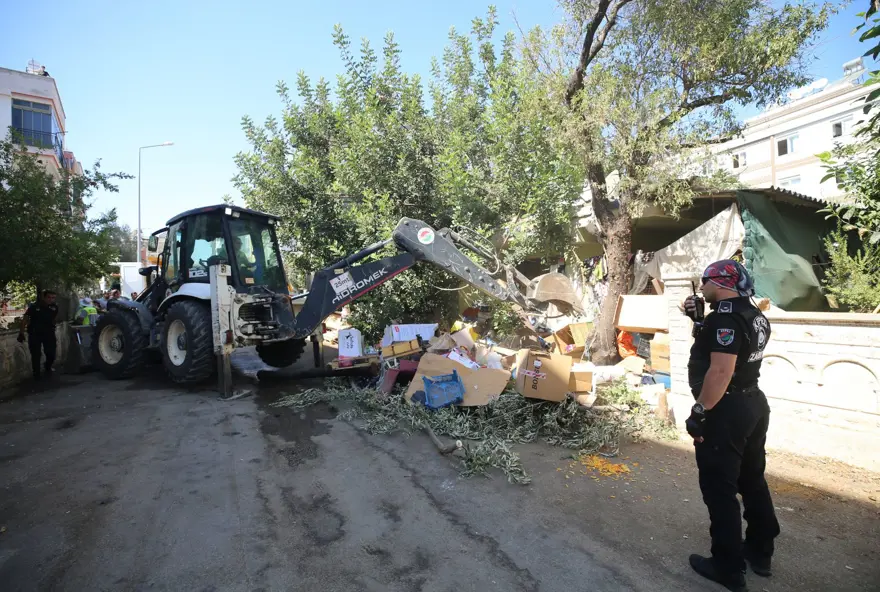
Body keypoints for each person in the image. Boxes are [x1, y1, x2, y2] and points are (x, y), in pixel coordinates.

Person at [682, 260, 779, 592]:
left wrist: (700, 411)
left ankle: (727, 566)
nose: (702, 287)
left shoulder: (724, 319)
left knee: (719, 488)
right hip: (752, 403)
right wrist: (699, 322)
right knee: (752, 479)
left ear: (721, 283)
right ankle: (761, 551)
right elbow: (730, 350)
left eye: (705, 281)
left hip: (726, 410)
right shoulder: (753, 314)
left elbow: (721, 371)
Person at [17, 290, 59, 380]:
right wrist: (21, 333)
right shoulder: (34, 307)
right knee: (36, 354)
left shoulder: (54, 307)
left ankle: (47, 366)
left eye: (53, 298)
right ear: (44, 297)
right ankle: (36, 374)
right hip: (35, 333)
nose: (51, 299)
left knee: (51, 353)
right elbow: (25, 319)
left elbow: (54, 319)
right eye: (49, 297)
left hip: (49, 333)